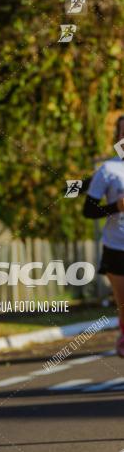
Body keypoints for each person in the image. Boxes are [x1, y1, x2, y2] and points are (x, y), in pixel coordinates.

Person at [84, 115, 124, 356]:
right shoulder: (108, 170)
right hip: (116, 247)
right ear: (117, 138)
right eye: (122, 133)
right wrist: (115, 208)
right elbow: (88, 210)